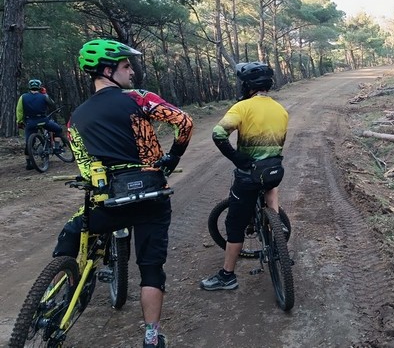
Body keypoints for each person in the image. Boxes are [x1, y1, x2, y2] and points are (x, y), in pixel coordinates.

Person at [52, 39, 193, 348]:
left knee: (72, 233)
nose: (132, 71)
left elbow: (86, 167)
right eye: (126, 66)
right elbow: (185, 122)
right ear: (107, 70)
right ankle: (151, 337)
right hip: (151, 197)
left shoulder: (76, 118)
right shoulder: (140, 99)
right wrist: (172, 158)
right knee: (151, 269)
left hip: (109, 200)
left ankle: (61, 288)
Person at [200, 61, 288, 292]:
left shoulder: (242, 108)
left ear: (247, 86)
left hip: (248, 175)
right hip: (273, 172)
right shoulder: (281, 110)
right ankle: (277, 236)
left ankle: (227, 276)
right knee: (270, 191)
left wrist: (237, 157)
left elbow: (218, 135)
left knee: (235, 224)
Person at [16, 79, 66, 169]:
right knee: (58, 129)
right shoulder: (43, 96)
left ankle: (29, 163)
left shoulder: (23, 97)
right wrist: (45, 94)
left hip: (30, 122)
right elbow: (52, 104)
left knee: (29, 143)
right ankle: (57, 148)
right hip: (43, 120)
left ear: (29, 87)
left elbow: (19, 111)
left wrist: (19, 122)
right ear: (39, 87)